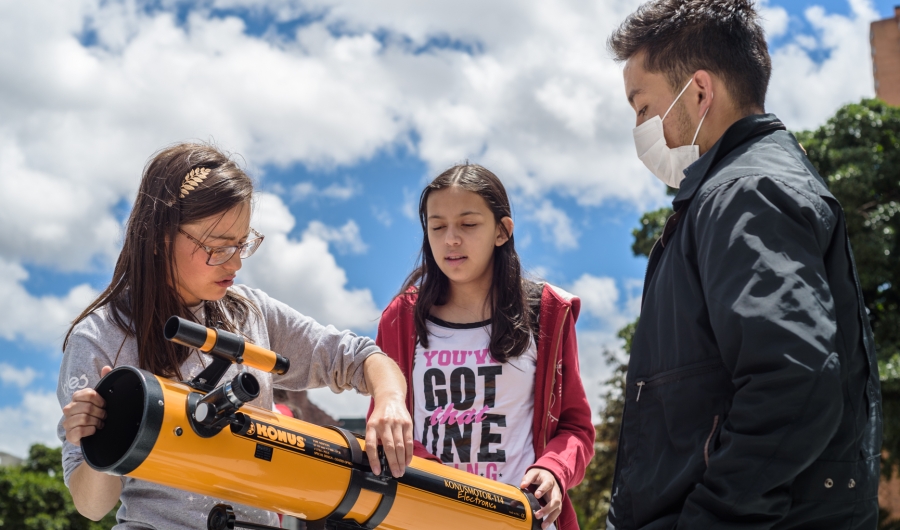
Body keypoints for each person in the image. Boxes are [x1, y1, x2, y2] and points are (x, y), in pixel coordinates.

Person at [605, 1, 882, 528]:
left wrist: (709, 520)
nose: (639, 127)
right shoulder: (738, 188)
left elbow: (792, 380)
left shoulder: (746, 192)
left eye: (642, 107)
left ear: (701, 92)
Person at [57, 143, 414, 528]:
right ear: (160, 236)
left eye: (242, 243)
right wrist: (102, 435)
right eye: (218, 247)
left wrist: (391, 400)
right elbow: (91, 505)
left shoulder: (250, 313)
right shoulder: (99, 336)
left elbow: (361, 356)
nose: (236, 262)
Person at [373, 164, 595, 530]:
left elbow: (576, 427)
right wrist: (448, 491)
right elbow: (385, 427)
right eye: (437, 226)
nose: (451, 239)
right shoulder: (402, 317)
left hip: (523, 520)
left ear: (502, 231)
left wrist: (553, 470)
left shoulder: (549, 311)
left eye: (468, 224)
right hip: (427, 518)